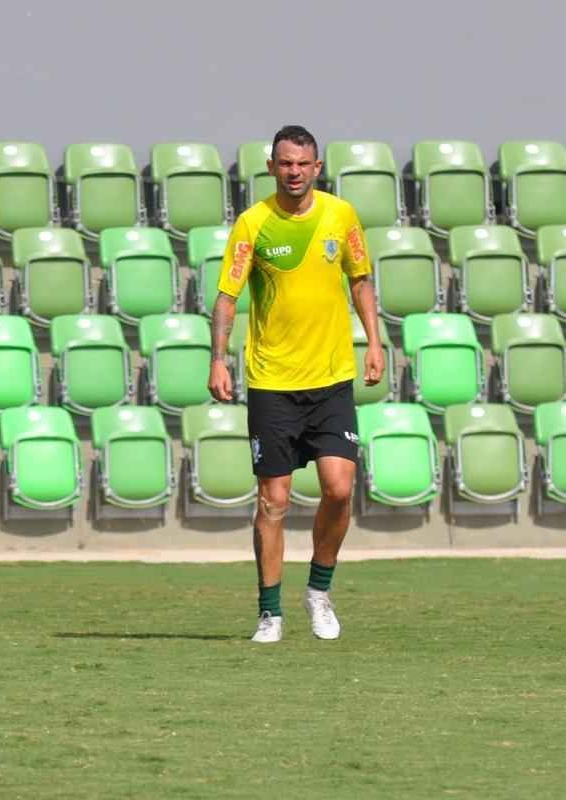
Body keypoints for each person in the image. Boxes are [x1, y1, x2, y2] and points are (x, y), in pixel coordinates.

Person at [208, 124, 383, 644]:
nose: (294, 172)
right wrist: (218, 358)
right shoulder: (252, 224)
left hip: (331, 380)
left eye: (303, 163)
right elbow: (226, 297)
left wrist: (375, 341)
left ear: (317, 167)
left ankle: (319, 592)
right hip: (272, 382)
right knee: (273, 501)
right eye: (285, 163)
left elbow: (361, 279)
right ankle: (270, 613)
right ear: (271, 167)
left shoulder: (341, 215)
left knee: (339, 488)